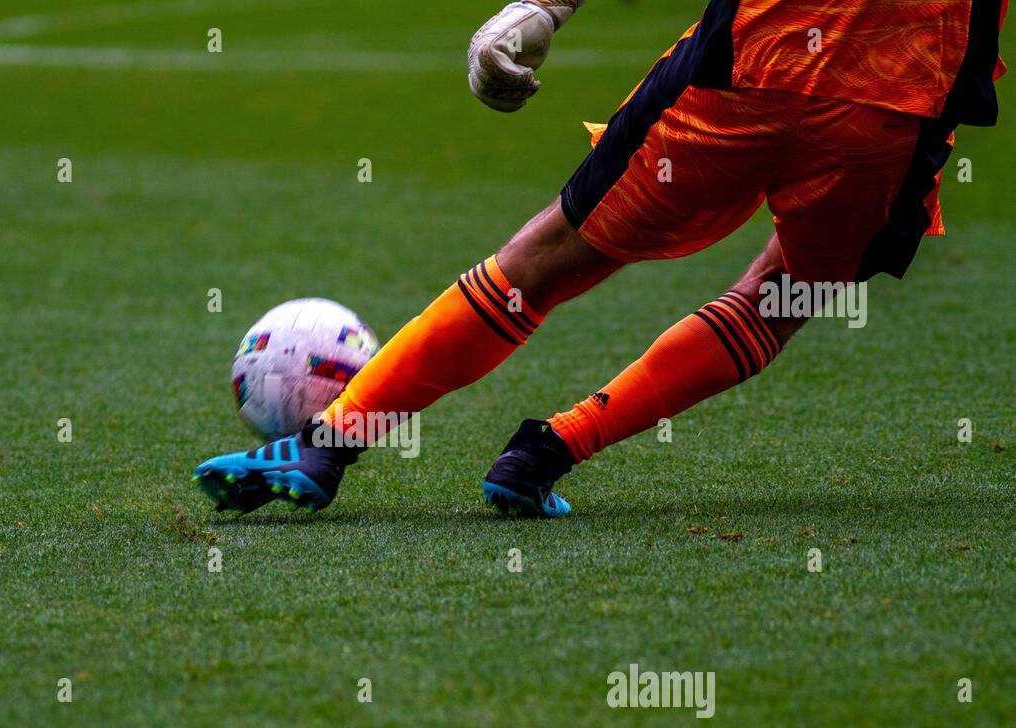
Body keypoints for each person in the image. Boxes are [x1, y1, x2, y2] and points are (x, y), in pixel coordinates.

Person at [194, 0, 1006, 517]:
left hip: (751, 64)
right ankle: (549, 450)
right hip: (896, 109)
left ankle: (326, 446)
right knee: (781, 297)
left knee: (544, 262)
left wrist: (543, 6)